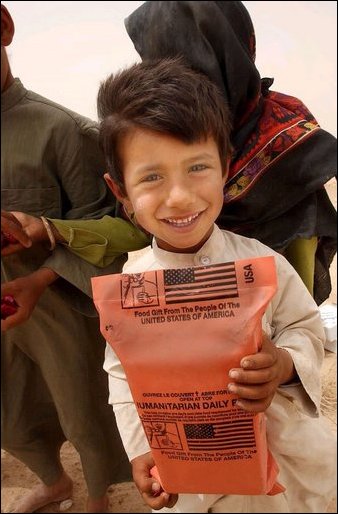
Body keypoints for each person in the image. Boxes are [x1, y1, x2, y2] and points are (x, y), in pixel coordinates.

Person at [95, 57, 336, 513]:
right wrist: (140, 450)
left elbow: (306, 327)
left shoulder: (263, 264)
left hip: (279, 458)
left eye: (197, 167)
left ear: (226, 167)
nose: (180, 196)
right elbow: (121, 372)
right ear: (120, 191)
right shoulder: (131, 287)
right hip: (190, 467)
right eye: (151, 177)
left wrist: (282, 362)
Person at [7, 1, 335, 306]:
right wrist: (48, 228)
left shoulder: (291, 153)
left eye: (195, 61)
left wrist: (282, 358)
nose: (179, 198)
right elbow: (135, 228)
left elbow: (298, 313)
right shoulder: (148, 140)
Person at [1, 5, 134, 512]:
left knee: (83, 412)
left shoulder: (62, 130)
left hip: (57, 302)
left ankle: (98, 497)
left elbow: (110, 226)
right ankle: (54, 483)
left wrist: (38, 278)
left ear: (5, 27)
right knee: (11, 411)